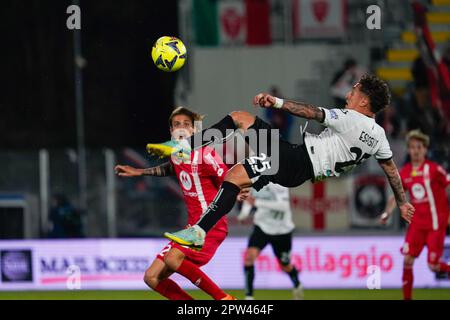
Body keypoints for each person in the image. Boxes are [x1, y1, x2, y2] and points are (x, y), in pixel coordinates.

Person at [146, 74, 415, 249]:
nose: (349, 93)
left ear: (364, 100)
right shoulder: (379, 137)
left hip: (295, 161)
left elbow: (310, 112)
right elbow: (391, 170)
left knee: (237, 148)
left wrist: (276, 102)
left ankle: (198, 221)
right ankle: (187, 160)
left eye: (354, 90)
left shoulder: (349, 118)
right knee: (238, 144)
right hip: (297, 163)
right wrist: (402, 203)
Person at [115, 107, 240, 300]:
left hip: (210, 226)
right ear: (171, 131)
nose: (180, 128)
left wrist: (240, 190)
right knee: (151, 277)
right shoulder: (177, 153)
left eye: (186, 124)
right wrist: (139, 172)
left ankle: (224, 299)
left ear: (195, 131)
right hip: (190, 228)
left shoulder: (205, 153)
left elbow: (229, 178)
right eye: (176, 125)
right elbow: (171, 168)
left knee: (172, 258)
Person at [380, 130, 450, 300]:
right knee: (407, 260)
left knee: (433, 265)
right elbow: (396, 196)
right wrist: (387, 213)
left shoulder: (434, 169)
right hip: (416, 226)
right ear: (409, 150)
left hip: (435, 224)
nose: (416, 151)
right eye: (412, 147)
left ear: (425, 149)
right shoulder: (404, 172)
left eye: (419, 147)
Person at [238, 183, 303, 300]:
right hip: (262, 226)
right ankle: (249, 297)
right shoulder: (254, 179)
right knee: (249, 257)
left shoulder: (280, 183)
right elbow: (249, 198)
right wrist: (244, 214)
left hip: (281, 230)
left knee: (285, 266)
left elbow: (283, 206)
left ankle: (297, 284)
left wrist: (257, 203)